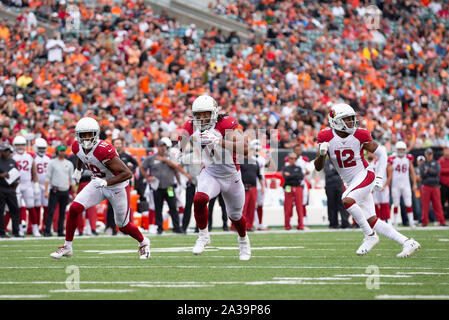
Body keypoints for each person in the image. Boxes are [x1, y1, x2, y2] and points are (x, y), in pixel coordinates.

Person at [314, 103, 420, 258]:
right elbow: (318, 167)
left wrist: (379, 177)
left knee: (347, 200)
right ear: (336, 121)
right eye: (347, 119)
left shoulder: (360, 134)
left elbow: (382, 153)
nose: (352, 122)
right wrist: (322, 154)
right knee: (372, 220)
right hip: (350, 182)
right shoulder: (325, 137)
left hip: (364, 174)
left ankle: (370, 236)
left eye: (352, 119)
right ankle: (408, 242)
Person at [49, 117, 150, 259]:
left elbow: (127, 173)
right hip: (97, 182)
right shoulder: (76, 146)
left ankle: (143, 242)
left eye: (89, 134)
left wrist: (107, 183)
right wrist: (78, 170)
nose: (85, 138)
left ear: (95, 134)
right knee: (74, 208)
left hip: (117, 186)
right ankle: (67, 246)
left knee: (122, 225)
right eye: (82, 135)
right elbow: (81, 155)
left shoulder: (103, 150)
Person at [177, 94, 251, 260]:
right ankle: (203, 236)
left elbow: (244, 149)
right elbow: (180, 143)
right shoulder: (190, 126)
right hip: (211, 172)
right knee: (199, 199)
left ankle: (243, 242)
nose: (202, 118)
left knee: (236, 216)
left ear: (214, 113)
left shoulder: (226, 124)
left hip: (231, 175)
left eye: (206, 114)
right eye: (198, 114)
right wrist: (177, 151)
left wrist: (219, 142)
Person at [140, 137, 187, 234]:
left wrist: (165, 160)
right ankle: (159, 228)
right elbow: (142, 167)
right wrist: (147, 177)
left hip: (169, 186)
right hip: (157, 187)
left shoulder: (170, 157)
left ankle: (177, 227)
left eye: (164, 146)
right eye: (161, 146)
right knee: (158, 207)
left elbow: (176, 167)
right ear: (157, 147)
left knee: (173, 207)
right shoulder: (151, 158)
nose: (162, 148)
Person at [43, 145, 75, 237]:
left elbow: (71, 179)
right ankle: (47, 230)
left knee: (62, 212)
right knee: (51, 211)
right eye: (61, 151)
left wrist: (74, 192)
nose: (62, 152)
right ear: (57, 152)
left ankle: (60, 230)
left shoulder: (69, 163)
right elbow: (47, 177)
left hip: (65, 190)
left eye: (63, 150)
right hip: (55, 190)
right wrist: (46, 191)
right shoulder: (52, 163)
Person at [12, 135, 41, 237]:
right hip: (17, 185)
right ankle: (19, 228)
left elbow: (34, 172)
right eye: (18, 145)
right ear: (14, 146)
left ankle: (35, 228)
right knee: (18, 207)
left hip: (28, 184)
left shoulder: (29, 157)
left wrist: (36, 184)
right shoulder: (12, 157)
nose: (20, 147)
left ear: (25, 145)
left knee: (31, 207)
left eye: (22, 145)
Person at [385, 141, 418, 228]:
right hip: (395, 185)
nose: (401, 151)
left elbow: (412, 172)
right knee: (396, 204)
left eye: (402, 149)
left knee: (408, 203)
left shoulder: (408, 158)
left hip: (406, 184)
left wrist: (414, 183)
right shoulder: (392, 158)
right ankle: (395, 223)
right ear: (396, 149)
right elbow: (388, 171)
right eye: (399, 149)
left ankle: (411, 222)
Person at [419, 148, 447, 227]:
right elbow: (422, 174)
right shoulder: (423, 164)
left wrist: (428, 171)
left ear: (432, 154)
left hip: (435, 186)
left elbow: (437, 172)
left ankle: (442, 221)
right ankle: (424, 221)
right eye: (428, 154)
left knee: (437, 205)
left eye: (430, 154)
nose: (429, 155)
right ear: (425, 155)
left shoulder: (436, 163)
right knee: (425, 205)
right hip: (426, 186)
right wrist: (431, 171)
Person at [0, 142, 21, 238]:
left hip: (11, 189)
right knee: (1, 211)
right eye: (5, 151)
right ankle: (2, 232)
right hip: (1, 188)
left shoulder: (12, 161)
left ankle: (16, 232)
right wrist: (1, 175)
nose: (7, 153)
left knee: (15, 210)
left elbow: (17, 175)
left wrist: (15, 187)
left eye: (8, 151)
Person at [240, 151, 264, 231]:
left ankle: (249, 226)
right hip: (244, 187)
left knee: (252, 207)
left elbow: (259, 175)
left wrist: (262, 186)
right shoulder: (241, 161)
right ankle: (241, 226)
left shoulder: (255, 162)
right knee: (243, 207)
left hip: (253, 187)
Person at [324, 158, 350, 229]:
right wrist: (336, 171)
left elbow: (342, 171)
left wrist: (334, 171)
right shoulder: (326, 162)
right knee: (331, 205)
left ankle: (345, 223)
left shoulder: (339, 162)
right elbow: (327, 172)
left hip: (339, 186)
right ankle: (333, 223)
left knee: (342, 205)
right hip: (330, 186)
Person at [367, 148, 391, 223]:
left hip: (383, 185)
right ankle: (380, 221)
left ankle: (389, 222)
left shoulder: (385, 162)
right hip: (375, 186)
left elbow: (389, 175)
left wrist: (385, 185)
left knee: (385, 204)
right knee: (376, 204)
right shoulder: (372, 163)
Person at [282, 153, 305, 230]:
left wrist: (290, 175)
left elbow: (301, 176)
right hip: (288, 187)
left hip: (298, 187)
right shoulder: (285, 168)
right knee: (287, 207)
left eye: (294, 158)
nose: (293, 160)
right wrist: (294, 175)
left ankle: (301, 225)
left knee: (299, 207)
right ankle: (287, 225)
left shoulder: (298, 168)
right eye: (291, 158)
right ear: (288, 159)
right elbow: (285, 177)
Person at [33, 138, 51, 233]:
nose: (41, 150)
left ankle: (45, 226)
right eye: (40, 148)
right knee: (35, 206)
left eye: (43, 148)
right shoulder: (33, 158)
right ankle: (34, 226)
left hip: (46, 186)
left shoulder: (48, 158)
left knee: (46, 207)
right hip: (35, 184)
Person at [438, 146, 449, 220]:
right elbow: (439, 170)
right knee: (442, 201)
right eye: (446, 150)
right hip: (443, 184)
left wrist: (445, 170)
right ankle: (442, 217)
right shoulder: (440, 160)